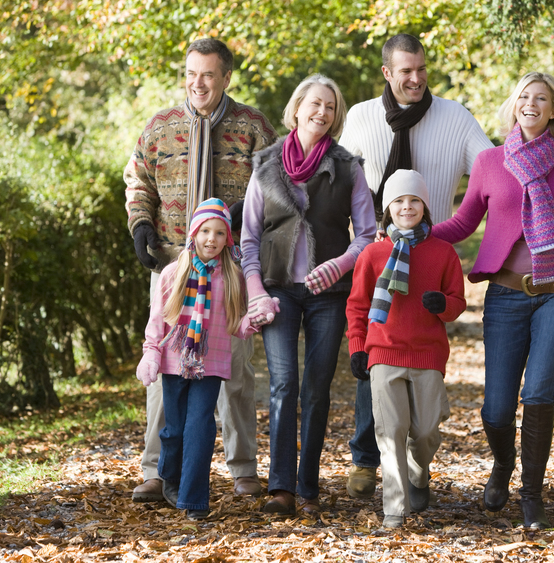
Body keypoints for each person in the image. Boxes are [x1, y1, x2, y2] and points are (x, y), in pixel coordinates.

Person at [431, 72, 554, 529]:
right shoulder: (488, 162)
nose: (531, 103)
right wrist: (421, 232)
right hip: (505, 295)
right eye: (524, 96)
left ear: (552, 111)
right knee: (497, 409)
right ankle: (503, 463)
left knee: (539, 392)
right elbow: (464, 223)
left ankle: (531, 496)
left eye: (540, 98)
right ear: (515, 105)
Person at [338, 33, 493, 499]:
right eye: (406, 71)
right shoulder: (362, 117)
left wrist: (456, 234)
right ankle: (368, 461)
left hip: (430, 253)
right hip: (377, 253)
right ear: (387, 72)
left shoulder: (455, 117)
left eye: (421, 69)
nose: (416, 78)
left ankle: (413, 462)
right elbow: (339, 179)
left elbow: (489, 173)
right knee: (375, 359)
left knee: (421, 384)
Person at [124, 37, 277, 502]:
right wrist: (141, 225)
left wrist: (241, 215)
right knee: (163, 370)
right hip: (173, 268)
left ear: (226, 77)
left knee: (235, 368)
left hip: (230, 271)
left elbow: (275, 186)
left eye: (208, 74)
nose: (198, 83)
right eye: (191, 74)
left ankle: (242, 467)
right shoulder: (160, 127)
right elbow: (138, 180)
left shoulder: (252, 127)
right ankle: (156, 470)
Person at [240, 73, 377, 515]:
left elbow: (368, 235)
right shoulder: (264, 164)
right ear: (297, 107)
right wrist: (256, 291)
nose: (322, 112)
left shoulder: (347, 167)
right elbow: (248, 239)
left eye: (330, 107)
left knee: (317, 389)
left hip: (330, 295)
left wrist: (338, 265)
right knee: (283, 385)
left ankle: (308, 487)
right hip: (278, 294)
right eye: (314, 103)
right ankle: (280, 488)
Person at [346, 169, 466, 528]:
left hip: (428, 353)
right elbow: (357, 305)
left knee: (427, 430)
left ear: (425, 207)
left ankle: (418, 469)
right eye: (398, 200)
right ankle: (395, 511)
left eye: (414, 200)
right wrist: (357, 347)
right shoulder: (373, 254)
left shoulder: (443, 253)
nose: (407, 206)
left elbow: (458, 302)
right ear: (388, 209)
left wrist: (441, 304)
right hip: (383, 352)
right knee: (390, 431)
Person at [135, 199, 259, 520]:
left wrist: (253, 321)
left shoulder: (232, 276)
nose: (211, 239)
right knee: (174, 429)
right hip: (175, 362)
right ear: (194, 233)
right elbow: (157, 320)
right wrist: (151, 353)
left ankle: (194, 500)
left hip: (212, 362)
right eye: (205, 231)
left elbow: (238, 322)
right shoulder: (173, 273)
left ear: (227, 239)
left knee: (200, 426)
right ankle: (169, 475)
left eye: (220, 233)